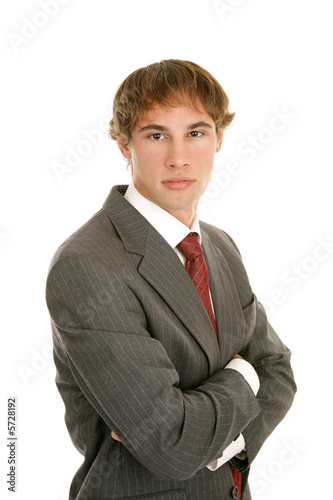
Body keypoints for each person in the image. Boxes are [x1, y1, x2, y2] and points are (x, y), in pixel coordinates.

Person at [46, 59, 296, 500]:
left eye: (196, 133)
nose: (178, 157)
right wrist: (243, 372)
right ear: (124, 144)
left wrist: (220, 443)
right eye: (156, 134)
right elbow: (170, 442)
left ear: (219, 139)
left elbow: (277, 372)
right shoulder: (86, 264)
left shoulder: (219, 246)